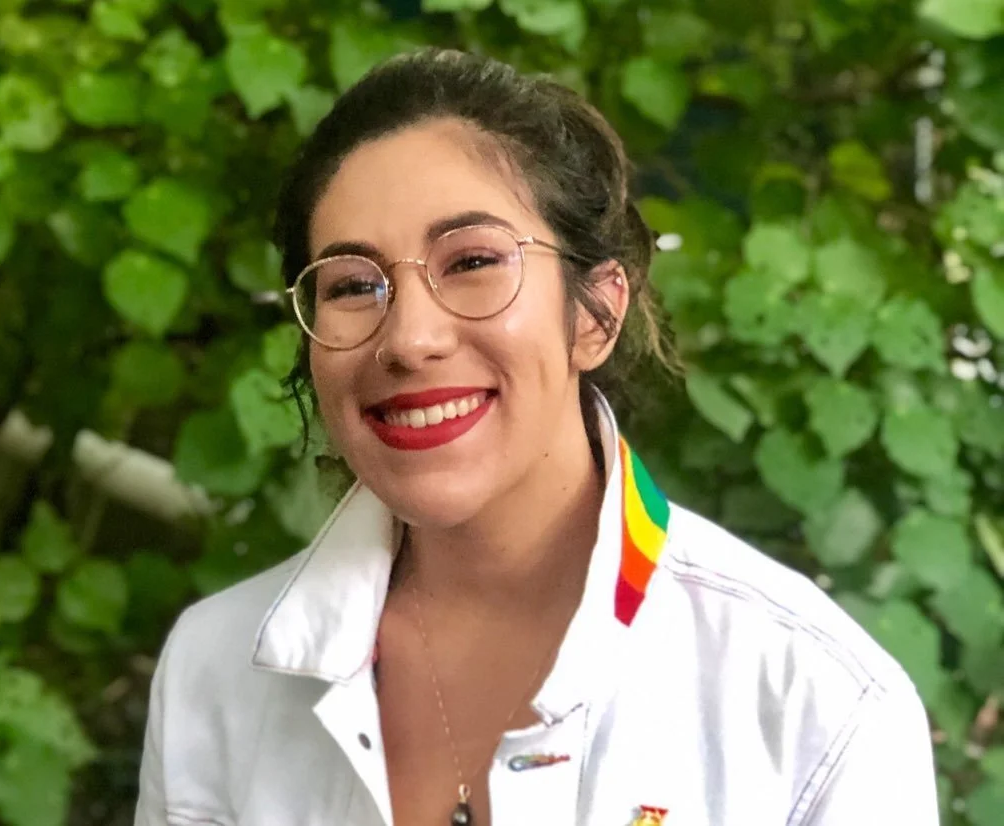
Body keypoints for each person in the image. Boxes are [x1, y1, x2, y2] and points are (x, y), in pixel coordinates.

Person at [133, 48, 939, 826]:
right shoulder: (217, 670)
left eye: (471, 262)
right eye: (351, 284)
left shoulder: (812, 700)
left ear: (596, 314)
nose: (408, 338)